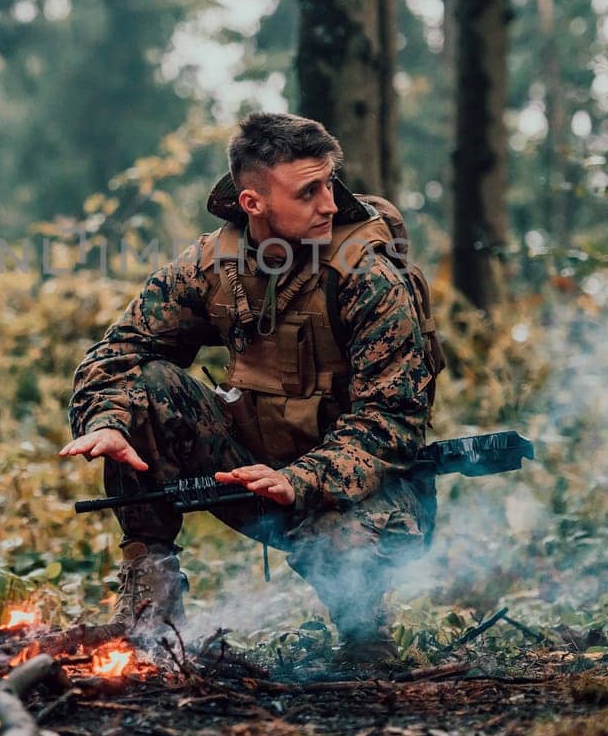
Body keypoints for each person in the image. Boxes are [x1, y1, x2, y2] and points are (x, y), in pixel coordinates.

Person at [61, 113, 440, 663]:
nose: (330, 204)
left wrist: (300, 479)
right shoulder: (214, 264)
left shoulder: (367, 273)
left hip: (357, 490)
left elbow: (394, 421)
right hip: (249, 477)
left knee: (348, 561)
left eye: (330, 183)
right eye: (308, 191)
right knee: (144, 387)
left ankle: (366, 635)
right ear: (253, 204)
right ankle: (152, 609)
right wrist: (108, 422)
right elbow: (118, 355)